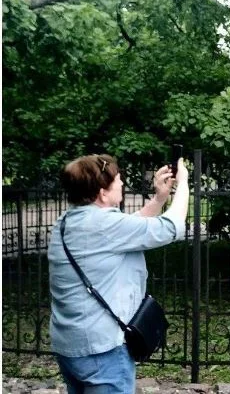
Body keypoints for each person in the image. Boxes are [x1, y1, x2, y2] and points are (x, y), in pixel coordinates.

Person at [47, 154, 189, 393]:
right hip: (102, 351)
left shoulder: (65, 222)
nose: (122, 184)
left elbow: (127, 228)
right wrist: (184, 184)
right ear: (103, 193)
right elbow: (172, 227)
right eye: (118, 180)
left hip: (69, 346)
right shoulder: (104, 225)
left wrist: (159, 198)